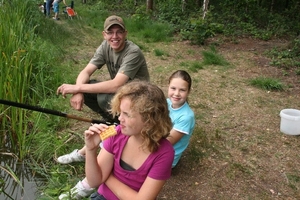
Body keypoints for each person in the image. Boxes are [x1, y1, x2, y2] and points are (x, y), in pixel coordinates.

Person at [58, 70, 195, 199]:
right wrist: (90, 150)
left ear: (149, 121)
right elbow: (94, 181)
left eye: (127, 115)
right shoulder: (116, 133)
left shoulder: (164, 153)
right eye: (120, 112)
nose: (119, 119)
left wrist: (107, 175)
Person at [56, 15, 149, 164]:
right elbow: (85, 72)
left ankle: (111, 131)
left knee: (105, 98)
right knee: (91, 90)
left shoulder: (133, 52)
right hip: (122, 96)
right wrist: (79, 91)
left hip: (139, 99)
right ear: (104, 34)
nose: (115, 36)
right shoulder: (105, 46)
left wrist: (76, 87)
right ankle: (111, 123)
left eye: (119, 32)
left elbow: (116, 85)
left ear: (125, 33)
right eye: (110, 32)